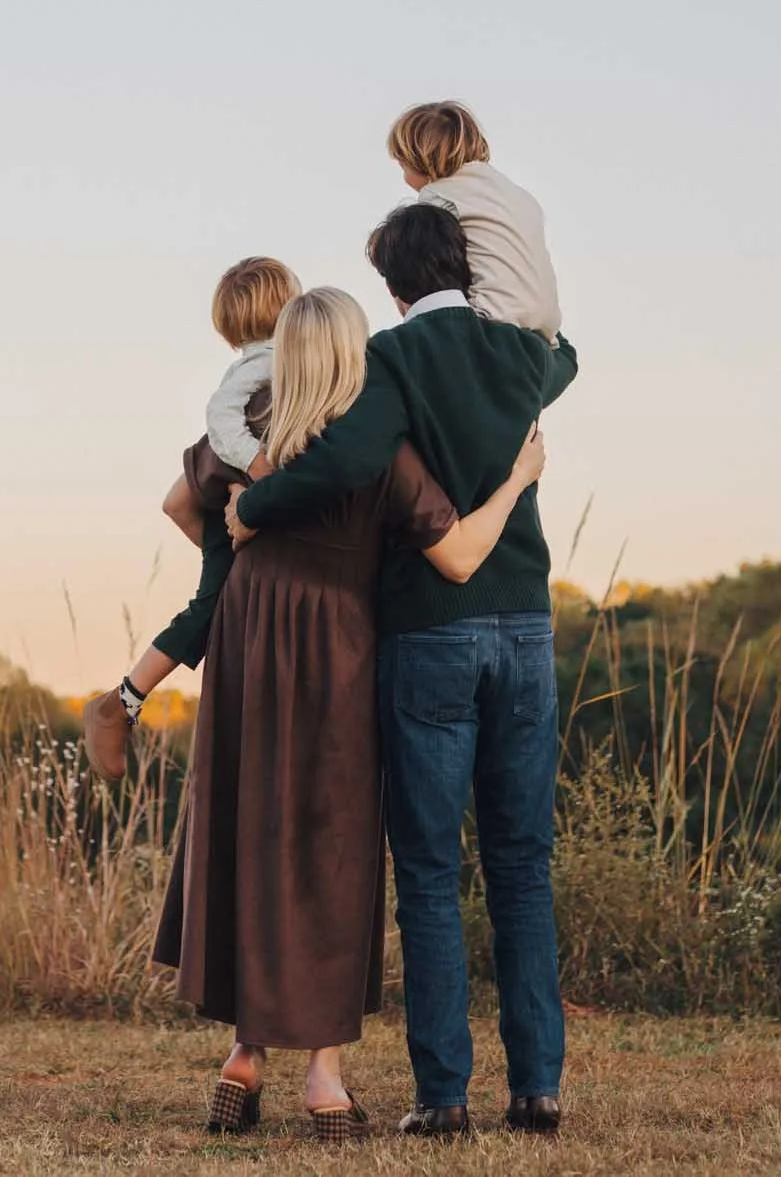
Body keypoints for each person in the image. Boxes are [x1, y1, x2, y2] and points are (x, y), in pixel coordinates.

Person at [155, 286, 546, 1141]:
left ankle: (243, 1054)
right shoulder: (378, 446)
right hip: (336, 644)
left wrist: (245, 555)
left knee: (254, 832)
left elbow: (181, 507)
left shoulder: (247, 429)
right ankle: (324, 1081)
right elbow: (458, 556)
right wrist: (518, 479)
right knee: (331, 850)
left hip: (250, 635)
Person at [232, 203, 577, 1137]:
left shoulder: (391, 360)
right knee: (522, 865)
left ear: (391, 287)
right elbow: (568, 353)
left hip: (431, 631)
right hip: (526, 629)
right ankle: (538, 1089)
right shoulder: (522, 352)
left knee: (428, 871)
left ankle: (443, 1097)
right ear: (469, 264)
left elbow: (344, 456)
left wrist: (259, 507)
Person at [81, 256, 299, 780]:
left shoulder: (267, 362)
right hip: (247, 497)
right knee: (207, 608)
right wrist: (257, 466)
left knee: (214, 604)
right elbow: (221, 419)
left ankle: (124, 700)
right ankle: (122, 702)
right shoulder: (266, 366)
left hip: (238, 515)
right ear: (286, 307)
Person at [387, 99, 561, 343]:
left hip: (490, 321)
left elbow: (423, 266)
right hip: (546, 330)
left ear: (419, 160)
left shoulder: (437, 197)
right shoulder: (517, 194)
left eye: (402, 165)